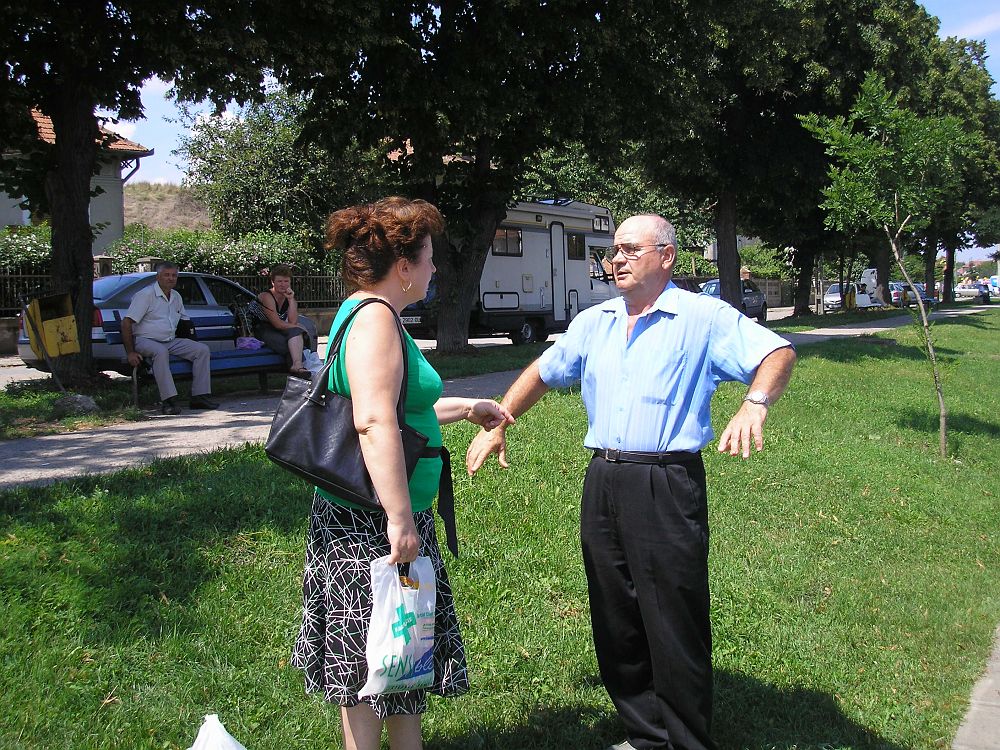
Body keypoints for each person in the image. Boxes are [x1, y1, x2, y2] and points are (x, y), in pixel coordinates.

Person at [466, 214, 797, 750]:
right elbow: (545, 371)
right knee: (615, 614)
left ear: (666, 256)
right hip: (604, 479)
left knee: (673, 616)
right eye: (612, 251)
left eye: (630, 250)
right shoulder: (594, 322)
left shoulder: (703, 317)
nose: (616, 260)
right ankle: (647, 734)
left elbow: (777, 352)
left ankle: (687, 741)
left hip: (666, 480)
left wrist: (754, 403)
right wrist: (501, 421)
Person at [290, 197, 514, 750]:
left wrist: (467, 408)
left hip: (377, 517)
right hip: (371, 524)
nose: (436, 268)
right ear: (405, 266)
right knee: (369, 672)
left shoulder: (374, 314)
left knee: (401, 660)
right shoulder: (375, 319)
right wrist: (399, 518)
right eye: (430, 257)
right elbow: (372, 422)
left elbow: (400, 409)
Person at [121, 261, 219, 415]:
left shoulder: (176, 296)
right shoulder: (146, 295)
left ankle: (199, 396)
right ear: (158, 277)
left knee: (201, 350)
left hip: (169, 340)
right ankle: (169, 400)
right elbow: (126, 323)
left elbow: (185, 322)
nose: (171, 278)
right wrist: (130, 353)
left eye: (174, 275)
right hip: (145, 340)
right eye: (166, 275)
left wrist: (190, 341)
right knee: (160, 352)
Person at [252, 264, 318, 377]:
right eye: (279, 281)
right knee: (292, 346)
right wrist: (298, 327)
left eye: (286, 281)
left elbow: (292, 322)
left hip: (276, 330)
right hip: (260, 329)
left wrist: (291, 300)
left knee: (295, 334)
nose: (283, 284)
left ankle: (297, 367)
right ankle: (298, 370)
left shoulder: (288, 296)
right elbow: (277, 324)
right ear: (273, 282)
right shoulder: (266, 296)